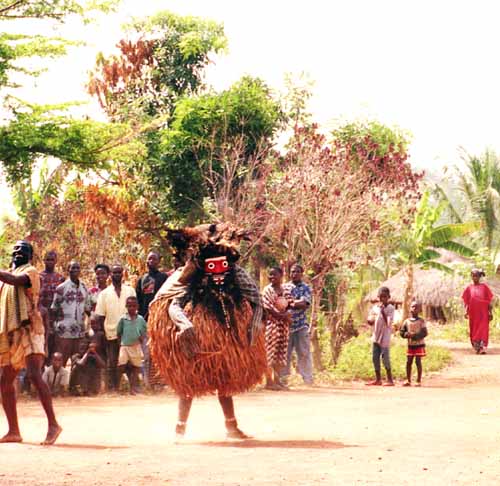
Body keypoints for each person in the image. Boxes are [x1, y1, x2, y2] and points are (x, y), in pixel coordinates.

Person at [148, 223, 266, 440]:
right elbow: (174, 304)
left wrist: (255, 323)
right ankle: (179, 430)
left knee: (225, 379)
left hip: (225, 337)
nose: (218, 274)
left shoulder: (236, 275)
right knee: (188, 381)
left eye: (222, 267)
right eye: (212, 269)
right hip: (195, 338)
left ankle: (232, 427)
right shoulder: (190, 276)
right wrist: (185, 325)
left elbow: (257, 300)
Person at [0, 240, 62, 444]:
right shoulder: (4, 282)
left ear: (30, 255)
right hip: (12, 334)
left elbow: (16, 280)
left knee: (35, 374)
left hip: (31, 329)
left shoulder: (31, 272)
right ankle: (14, 431)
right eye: (15, 249)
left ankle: (53, 425)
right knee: (6, 382)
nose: (18, 252)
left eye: (23, 250)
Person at [95, 264, 136, 391]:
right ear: (110, 275)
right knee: (112, 363)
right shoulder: (104, 294)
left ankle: (134, 388)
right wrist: (102, 333)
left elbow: (135, 311)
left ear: (123, 274)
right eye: (114, 272)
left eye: (119, 272)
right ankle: (113, 389)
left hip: (128, 334)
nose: (117, 275)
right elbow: (100, 316)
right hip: (111, 334)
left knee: (130, 362)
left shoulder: (130, 291)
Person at [135, 251, 167, 387]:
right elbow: (138, 301)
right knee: (147, 354)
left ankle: (162, 382)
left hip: (161, 322)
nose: (151, 261)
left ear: (159, 261)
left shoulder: (164, 278)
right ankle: (148, 384)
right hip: (146, 323)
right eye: (149, 259)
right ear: (146, 261)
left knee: (161, 353)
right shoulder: (141, 280)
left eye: (154, 259)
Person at [51, 261, 91, 367]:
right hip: (64, 332)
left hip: (79, 331)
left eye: (78, 268)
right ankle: (59, 383)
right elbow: (54, 309)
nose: (75, 270)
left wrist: (89, 328)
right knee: (61, 361)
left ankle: (74, 383)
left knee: (77, 361)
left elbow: (88, 309)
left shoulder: (84, 288)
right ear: (68, 270)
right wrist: (54, 328)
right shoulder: (61, 288)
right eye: (73, 268)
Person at [281, 264, 314, 386]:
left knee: (304, 352)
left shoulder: (306, 287)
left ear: (302, 273)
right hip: (286, 326)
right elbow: (280, 303)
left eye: (297, 272)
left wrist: (290, 303)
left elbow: (304, 303)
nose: (294, 274)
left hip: (301, 325)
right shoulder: (284, 287)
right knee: (285, 353)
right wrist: (294, 303)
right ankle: (282, 380)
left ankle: (308, 380)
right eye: (292, 271)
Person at [262, 267, 291, 390]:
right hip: (271, 324)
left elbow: (290, 304)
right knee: (269, 353)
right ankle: (269, 382)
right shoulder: (267, 290)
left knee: (281, 352)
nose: (272, 277)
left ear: (281, 276)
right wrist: (282, 316)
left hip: (283, 326)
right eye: (270, 275)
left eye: (275, 275)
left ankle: (277, 380)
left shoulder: (285, 289)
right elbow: (267, 307)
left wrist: (287, 314)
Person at [116, 296, 147, 395]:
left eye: (133, 306)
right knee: (121, 365)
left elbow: (143, 332)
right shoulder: (123, 319)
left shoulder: (140, 319)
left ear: (137, 306)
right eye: (129, 306)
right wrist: (121, 344)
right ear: (126, 306)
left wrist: (141, 342)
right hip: (124, 346)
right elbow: (119, 333)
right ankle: (116, 387)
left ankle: (133, 388)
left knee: (136, 368)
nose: (131, 308)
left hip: (136, 346)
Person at [39, 251, 65, 362]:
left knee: (54, 344)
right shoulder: (38, 277)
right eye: (47, 259)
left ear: (56, 261)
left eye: (52, 260)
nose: (49, 262)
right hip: (41, 316)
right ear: (44, 261)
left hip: (55, 317)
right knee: (41, 342)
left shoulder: (60, 278)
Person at [366, 286, 395, 386]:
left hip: (385, 337)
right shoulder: (375, 308)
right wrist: (370, 321)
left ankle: (390, 379)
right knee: (375, 357)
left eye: (384, 297)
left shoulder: (390, 308)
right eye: (380, 297)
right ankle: (378, 379)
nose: (382, 299)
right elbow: (371, 320)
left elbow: (388, 323)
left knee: (385, 357)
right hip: (376, 335)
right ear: (378, 297)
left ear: (388, 297)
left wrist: (382, 311)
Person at [462, 268, 494, 354]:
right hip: (473, 313)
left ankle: (482, 347)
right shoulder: (469, 288)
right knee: (474, 329)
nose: (474, 277)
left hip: (483, 313)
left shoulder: (484, 287)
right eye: (473, 276)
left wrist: (490, 312)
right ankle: (477, 347)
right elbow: (467, 302)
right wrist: (466, 311)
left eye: (476, 276)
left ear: (479, 277)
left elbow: (489, 302)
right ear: (471, 276)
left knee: (483, 329)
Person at [400, 301, 428, 386]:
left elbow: (424, 333)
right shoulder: (406, 321)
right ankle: (408, 380)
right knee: (408, 362)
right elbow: (401, 332)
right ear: (410, 309)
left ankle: (418, 380)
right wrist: (406, 335)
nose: (414, 309)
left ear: (419, 310)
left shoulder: (421, 321)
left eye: (416, 307)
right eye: (412, 307)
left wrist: (414, 336)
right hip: (410, 345)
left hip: (419, 345)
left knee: (418, 361)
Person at [88, 264, 110, 360]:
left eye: (103, 273)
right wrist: (94, 319)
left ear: (108, 275)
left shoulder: (111, 291)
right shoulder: (92, 291)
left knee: (108, 351)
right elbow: (87, 308)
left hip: (109, 325)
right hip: (95, 327)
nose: (100, 276)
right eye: (98, 274)